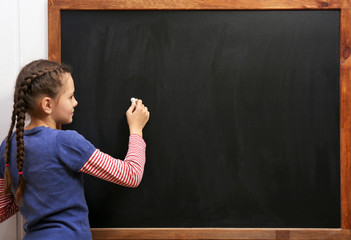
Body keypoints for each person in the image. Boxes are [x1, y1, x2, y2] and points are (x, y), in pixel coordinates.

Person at [0, 59, 150, 239]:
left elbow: (2, 210)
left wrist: (36, 191)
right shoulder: (66, 142)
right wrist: (136, 129)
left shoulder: (9, 146)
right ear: (47, 104)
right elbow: (130, 175)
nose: (76, 102)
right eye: (70, 97)